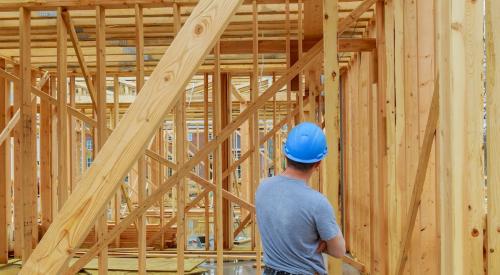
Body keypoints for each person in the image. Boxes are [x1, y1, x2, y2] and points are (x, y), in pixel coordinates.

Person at [256, 122, 346, 275]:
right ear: (318, 163)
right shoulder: (317, 203)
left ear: (286, 155)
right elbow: (339, 251)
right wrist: (321, 240)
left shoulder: (263, 188)